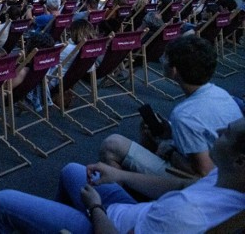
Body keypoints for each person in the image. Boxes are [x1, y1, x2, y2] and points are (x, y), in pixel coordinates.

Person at [0, 117, 245, 233]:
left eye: (228, 133)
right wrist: (121, 177)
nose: (219, 130)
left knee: (0, 201)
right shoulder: (228, 180)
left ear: (240, 160)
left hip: (108, 224)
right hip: (137, 213)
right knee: (72, 170)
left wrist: (95, 207)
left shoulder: (187, 215)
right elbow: (181, 184)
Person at [99, 35, 242, 177]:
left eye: (166, 58)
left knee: (112, 145)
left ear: (174, 71)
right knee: (150, 133)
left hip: (208, 184)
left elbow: (203, 173)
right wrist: (171, 132)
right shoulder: (221, 94)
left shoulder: (185, 115)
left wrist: (168, 150)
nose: (163, 61)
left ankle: (123, 190)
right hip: (228, 167)